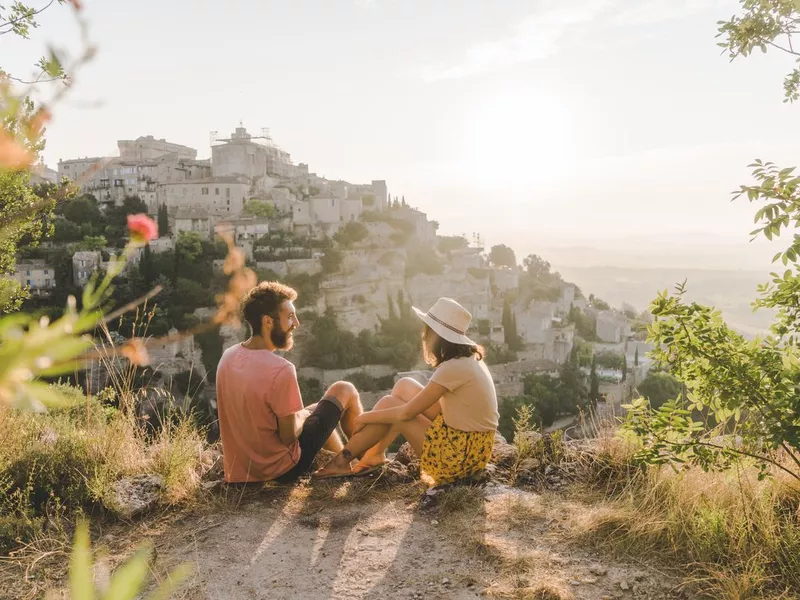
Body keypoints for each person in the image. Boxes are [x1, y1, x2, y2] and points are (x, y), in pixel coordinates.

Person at [314, 297, 499, 486]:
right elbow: (437, 409)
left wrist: (363, 418)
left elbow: (406, 413)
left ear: (436, 335)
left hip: (458, 460)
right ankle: (373, 455)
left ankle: (343, 460)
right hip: (472, 447)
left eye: (427, 329)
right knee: (404, 385)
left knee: (393, 406)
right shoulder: (468, 360)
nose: (423, 334)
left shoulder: (453, 367)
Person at [215, 281, 364, 483]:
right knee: (344, 389)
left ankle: (342, 464)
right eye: (290, 316)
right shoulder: (281, 369)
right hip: (280, 470)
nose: (296, 323)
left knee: (314, 411)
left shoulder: (228, 357)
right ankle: (365, 462)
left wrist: (304, 414)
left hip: (242, 472)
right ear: (268, 321)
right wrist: (302, 415)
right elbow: (289, 437)